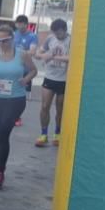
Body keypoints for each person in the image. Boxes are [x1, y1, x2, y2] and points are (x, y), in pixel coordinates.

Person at [0, 24, 37, 190]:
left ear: (12, 39)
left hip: (15, 99)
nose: (2, 43)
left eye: (5, 40)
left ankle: (0, 170)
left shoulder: (22, 55)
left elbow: (33, 71)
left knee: (4, 131)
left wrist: (26, 80)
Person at [35, 18, 70, 147]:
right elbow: (38, 53)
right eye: (55, 33)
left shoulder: (71, 40)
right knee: (44, 107)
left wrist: (53, 57)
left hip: (64, 79)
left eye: (59, 33)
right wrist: (41, 55)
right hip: (49, 77)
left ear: (65, 30)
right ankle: (43, 134)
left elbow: (72, 58)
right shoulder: (50, 39)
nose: (57, 35)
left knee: (60, 109)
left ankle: (57, 133)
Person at [12, 15, 39, 127]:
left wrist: (20, 53)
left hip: (25, 70)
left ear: (26, 24)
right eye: (17, 24)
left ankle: (17, 116)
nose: (19, 26)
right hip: (12, 68)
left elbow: (32, 51)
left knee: (20, 94)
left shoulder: (32, 36)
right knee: (9, 92)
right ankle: (9, 115)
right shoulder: (13, 34)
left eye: (21, 24)